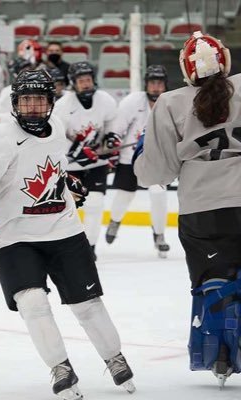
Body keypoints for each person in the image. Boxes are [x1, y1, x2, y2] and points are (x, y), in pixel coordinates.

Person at [0, 69, 135, 400]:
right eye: (26, 102)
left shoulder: (56, 128)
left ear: (51, 104)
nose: (33, 110)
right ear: (15, 105)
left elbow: (53, 162)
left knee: (88, 305)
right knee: (33, 302)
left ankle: (114, 356)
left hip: (65, 230)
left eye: (40, 102)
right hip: (17, 238)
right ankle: (60, 366)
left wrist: (67, 182)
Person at [133, 31, 241, 388]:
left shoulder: (170, 102)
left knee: (214, 285)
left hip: (202, 211)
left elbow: (157, 172)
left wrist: (139, 159)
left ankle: (221, 353)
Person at [53, 61, 121, 260]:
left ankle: (90, 247)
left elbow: (112, 122)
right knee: (68, 208)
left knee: (95, 204)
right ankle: (66, 244)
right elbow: (56, 135)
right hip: (71, 165)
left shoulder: (105, 100)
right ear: (73, 83)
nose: (85, 84)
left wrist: (111, 137)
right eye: (81, 81)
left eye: (88, 80)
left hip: (97, 162)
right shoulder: (63, 105)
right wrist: (75, 151)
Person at [105, 65, 170, 258]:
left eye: (159, 83)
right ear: (146, 84)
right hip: (130, 158)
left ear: (165, 85)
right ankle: (115, 221)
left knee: (159, 195)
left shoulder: (170, 103)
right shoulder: (133, 101)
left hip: (157, 160)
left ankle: (159, 235)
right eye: (152, 83)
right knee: (124, 195)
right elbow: (117, 127)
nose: (156, 87)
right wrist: (113, 139)